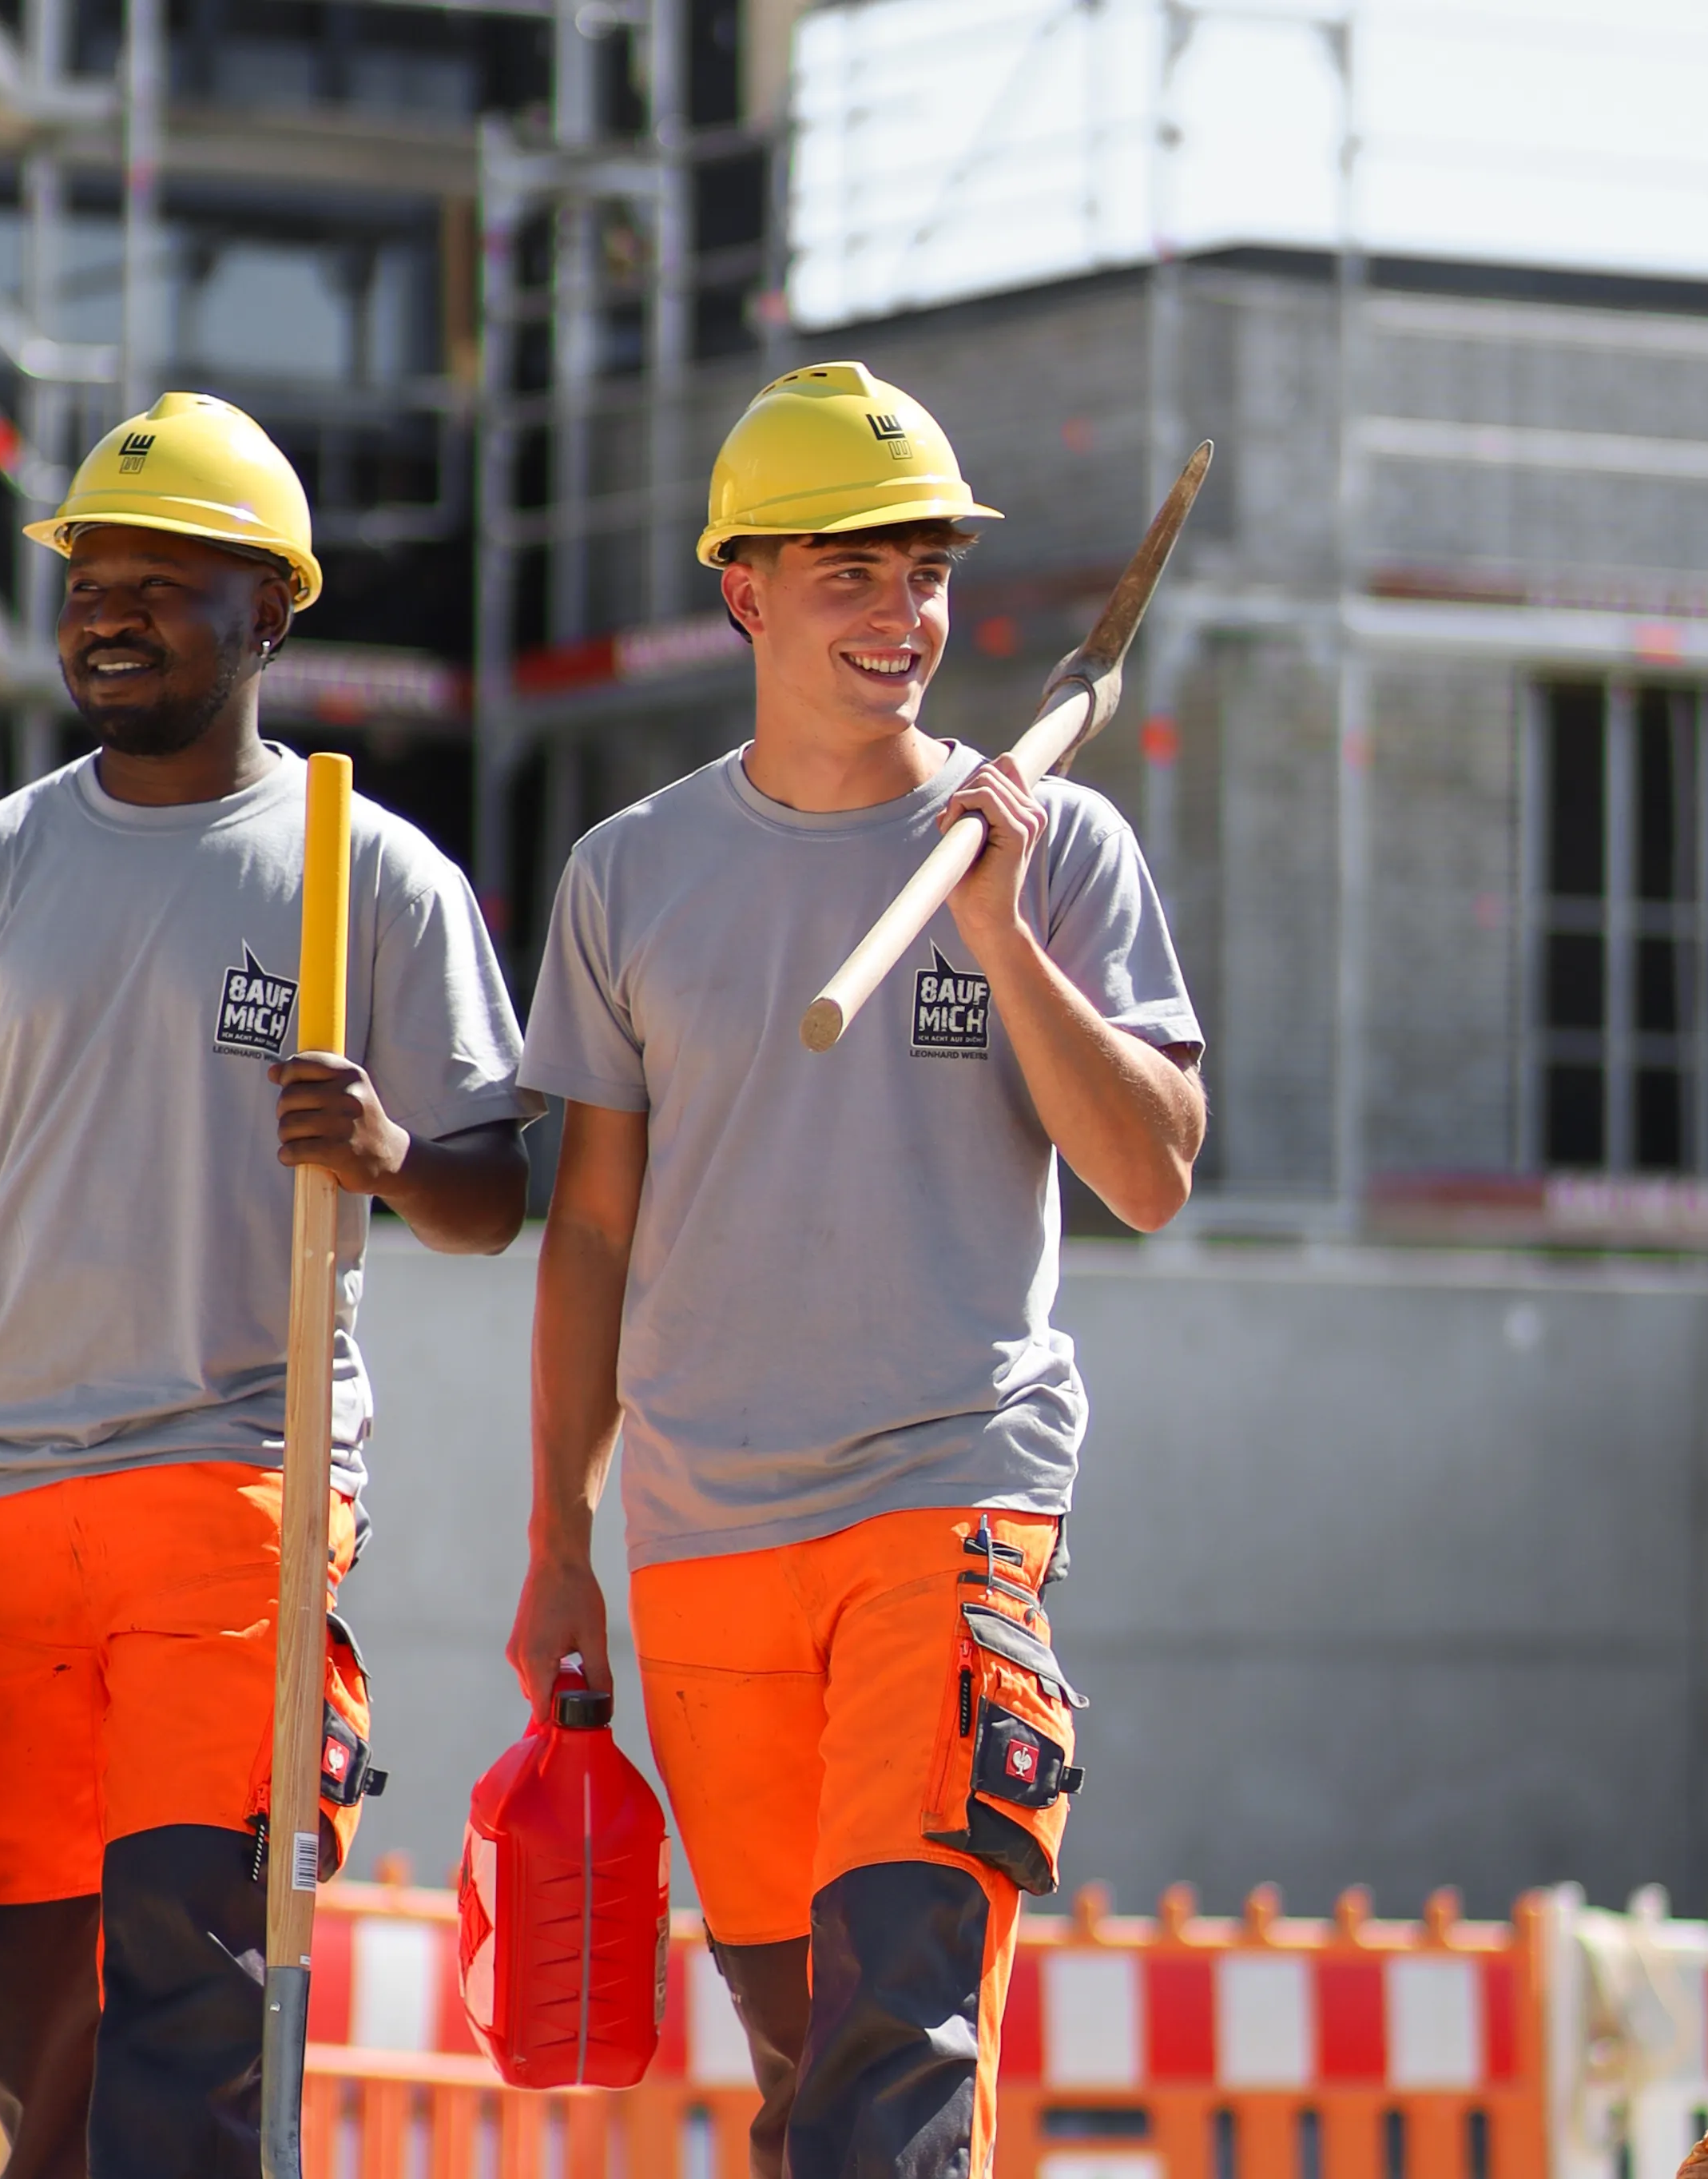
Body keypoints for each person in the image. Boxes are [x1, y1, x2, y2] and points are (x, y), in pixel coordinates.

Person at [0, 391, 537, 2179]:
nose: (107, 607)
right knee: (37, 2037)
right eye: (88, 575)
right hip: (7, 1509)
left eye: (160, 579)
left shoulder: (370, 876)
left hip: (230, 1498)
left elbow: (501, 1195)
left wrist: (394, 1160)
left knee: (183, 2009)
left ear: (269, 609)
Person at [507, 361, 1209, 2177]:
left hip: (946, 1499)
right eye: (852, 573)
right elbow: (588, 1227)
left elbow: (1150, 1170)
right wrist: (551, 1546)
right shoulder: (629, 876)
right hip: (702, 1532)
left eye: (926, 574)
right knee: (809, 2066)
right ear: (742, 588)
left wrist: (997, 929)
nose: (904, 616)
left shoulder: (1049, 853)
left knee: (895, 2037)